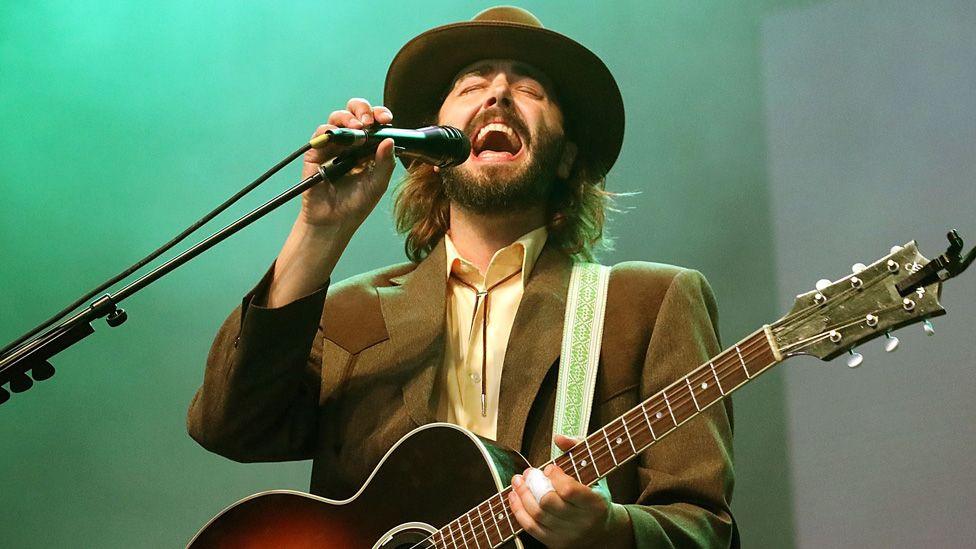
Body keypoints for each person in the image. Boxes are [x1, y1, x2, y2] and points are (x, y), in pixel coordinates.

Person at [188, 6, 737, 548]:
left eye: (531, 90)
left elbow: (704, 526)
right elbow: (228, 425)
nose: (497, 94)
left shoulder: (648, 303)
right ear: (430, 149)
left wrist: (609, 531)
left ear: (567, 157)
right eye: (471, 85)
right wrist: (320, 231)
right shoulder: (349, 313)